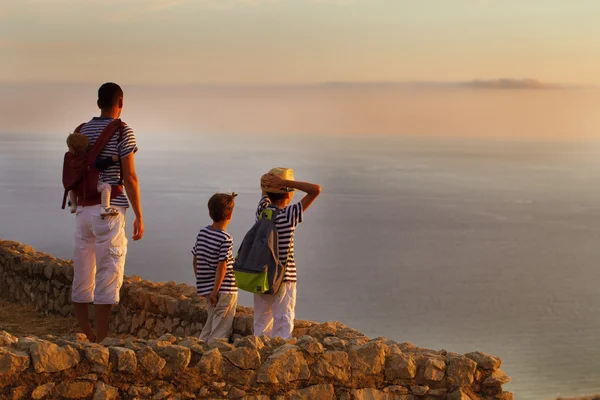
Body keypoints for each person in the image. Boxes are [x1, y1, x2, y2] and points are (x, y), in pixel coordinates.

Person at [71, 82, 144, 343]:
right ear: (120, 102)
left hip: (82, 208)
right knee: (108, 271)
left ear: (98, 103)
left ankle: (85, 333)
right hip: (109, 209)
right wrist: (139, 215)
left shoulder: (81, 131)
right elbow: (130, 176)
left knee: (83, 271)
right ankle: (100, 340)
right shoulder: (123, 132)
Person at [253, 168, 321, 339]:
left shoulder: (262, 212)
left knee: (261, 322)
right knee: (283, 320)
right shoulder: (289, 214)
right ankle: (280, 356)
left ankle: (259, 353)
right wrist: (286, 183)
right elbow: (315, 190)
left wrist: (268, 183)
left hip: (262, 275)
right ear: (288, 194)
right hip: (284, 277)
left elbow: (265, 194)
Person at [192, 193, 238, 343]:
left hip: (208, 288)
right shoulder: (226, 239)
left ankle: (198, 351)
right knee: (220, 331)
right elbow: (222, 266)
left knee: (209, 325)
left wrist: (203, 282)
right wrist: (215, 291)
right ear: (230, 214)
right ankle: (211, 359)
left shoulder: (203, 233)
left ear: (210, 212)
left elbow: (195, 259)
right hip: (224, 291)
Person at [65, 132, 121, 216]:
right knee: (106, 187)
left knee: (71, 188)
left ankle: (73, 205)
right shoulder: (90, 160)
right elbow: (105, 162)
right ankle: (105, 207)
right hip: (92, 188)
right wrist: (118, 157)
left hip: (78, 188)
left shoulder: (72, 160)